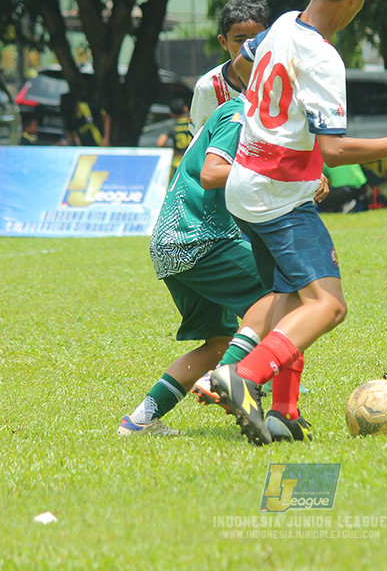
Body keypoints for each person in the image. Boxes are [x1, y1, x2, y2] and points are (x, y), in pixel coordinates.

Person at [211, 0, 387, 446]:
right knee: (329, 305)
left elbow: (242, 65)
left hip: (244, 185)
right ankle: (244, 375)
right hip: (277, 196)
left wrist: (261, 122)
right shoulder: (324, 61)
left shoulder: (280, 25)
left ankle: (283, 411)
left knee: (291, 298)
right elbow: (337, 151)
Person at [117, 96, 305, 439]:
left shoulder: (246, 116)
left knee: (219, 343)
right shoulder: (239, 114)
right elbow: (212, 173)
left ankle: (139, 420)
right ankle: (242, 380)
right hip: (199, 239)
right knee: (283, 291)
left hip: (173, 244)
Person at [189, 0, 270, 135]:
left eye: (256, 38)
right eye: (239, 40)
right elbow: (198, 144)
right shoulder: (208, 88)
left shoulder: (281, 77)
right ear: (224, 42)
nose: (248, 46)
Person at [156, 98, 193, 176]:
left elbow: (160, 143)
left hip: (178, 161)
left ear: (171, 113)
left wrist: (174, 150)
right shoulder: (192, 122)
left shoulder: (171, 125)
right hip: (193, 159)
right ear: (186, 109)